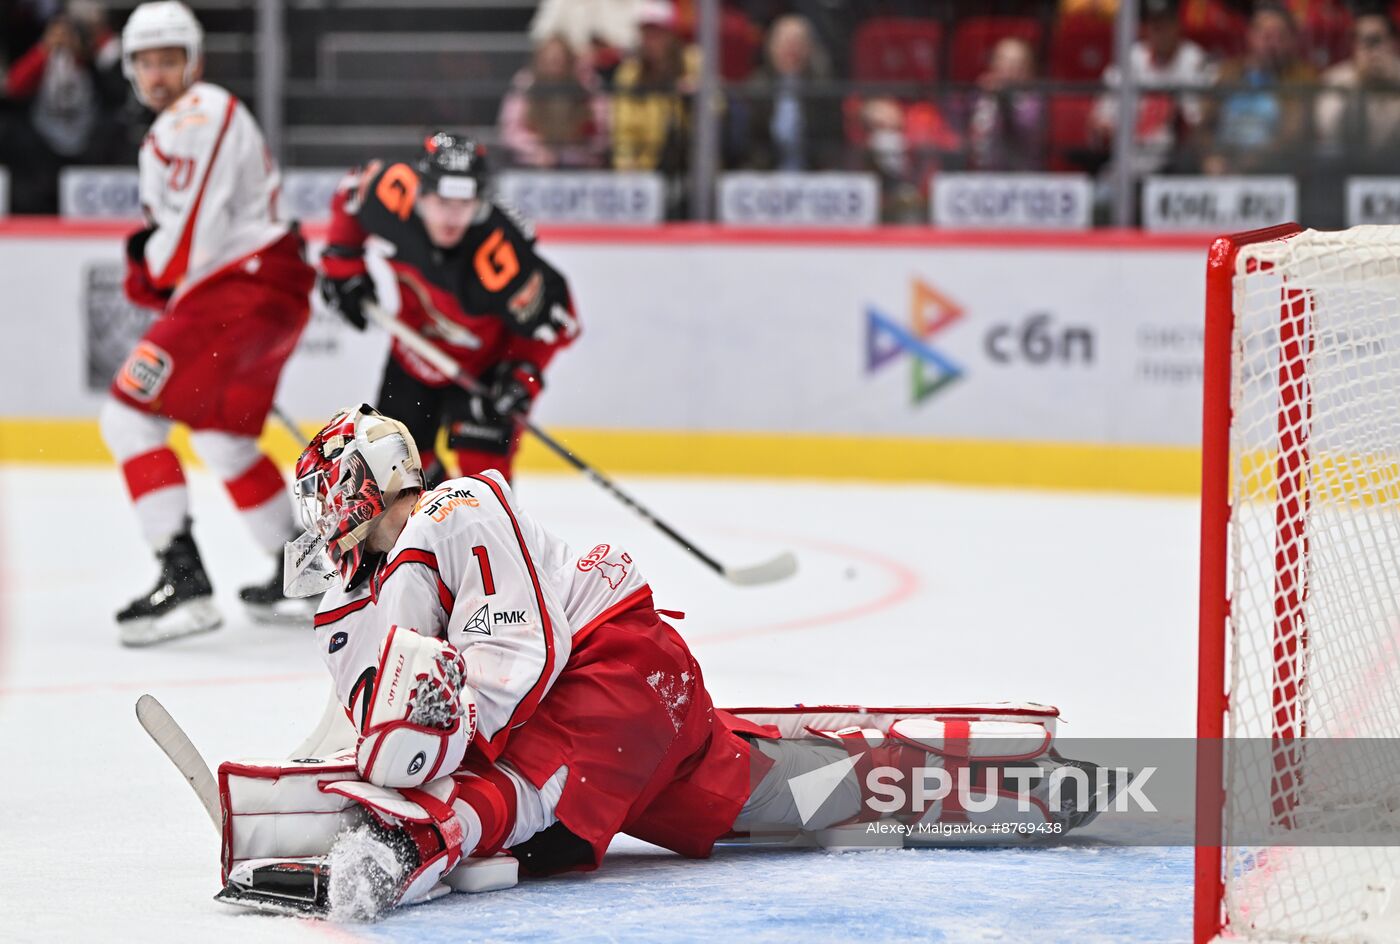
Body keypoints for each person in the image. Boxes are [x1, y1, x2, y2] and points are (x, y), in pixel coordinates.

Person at [214, 406, 1118, 918]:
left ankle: (411, 846)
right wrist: (337, 757)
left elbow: (515, 662)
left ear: (362, 480)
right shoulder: (381, 574)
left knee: (526, 796)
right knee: (779, 792)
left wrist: (423, 786)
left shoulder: (456, 508)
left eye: (325, 491)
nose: (318, 515)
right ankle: (1004, 789)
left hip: (615, 678)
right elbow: (379, 703)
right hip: (638, 721)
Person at [99, 1, 316, 646]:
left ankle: (182, 579)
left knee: (127, 415)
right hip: (260, 289)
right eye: (147, 62)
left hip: (237, 290)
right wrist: (161, 263)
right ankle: (303, 572)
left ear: (192, 62)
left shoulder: (197, 113)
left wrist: (152, 265)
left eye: (170, 60)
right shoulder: (187, 119)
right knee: (224, 440)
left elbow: (190, 234)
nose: (159, 74)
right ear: (132, 69)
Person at [317, 131, 579, 489]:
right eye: (441, 201)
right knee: (395, 466)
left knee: (484, 481)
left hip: (484, 369)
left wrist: (522, 378)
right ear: (420, 194)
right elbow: (352, 190)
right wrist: (342, 264)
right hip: (414, 355)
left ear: (480, 203)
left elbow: (562, 324)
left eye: (463, 204)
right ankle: (433, 514)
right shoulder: (392, 195)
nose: (451, 217)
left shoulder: (500, 254)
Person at [0, 1, 129, 214]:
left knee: (115, 130)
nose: (63, 38)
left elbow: (113, 94)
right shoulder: (40, 55)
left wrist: (83, 54)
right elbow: (14, 87)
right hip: (43, 139)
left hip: (86, 137)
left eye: (68, 34)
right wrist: (43, 51)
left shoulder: (90, 57)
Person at [1088, 0, 1216, 181]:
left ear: (1177, 26)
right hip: (1128, 162)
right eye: (1154, 25)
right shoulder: (1130, 59)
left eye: (1165, 24)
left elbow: (1199, 124)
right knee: (1101, 196)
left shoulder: (1195, 61)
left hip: (1174, 165)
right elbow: (1101, 118)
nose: (1159, 31)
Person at [1200, 3, 1317, 175]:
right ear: (1251, 36)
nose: (1272, 43)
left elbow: (1293, 134)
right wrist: (1210, 156)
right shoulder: (1228, 72)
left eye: (1280, 37)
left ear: (1292, 40)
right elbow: (1204, 127)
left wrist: (1249, 162)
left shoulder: (1302, 77)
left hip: (1273, 171)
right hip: (1223, 168)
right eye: (1266, 35)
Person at [728, 14, 841, 171]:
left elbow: (831, 141)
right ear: (771, 47)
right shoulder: (756, 87)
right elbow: (749, 143)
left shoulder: (823, 88)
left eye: (798, 43)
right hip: (766, 174)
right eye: (785, 43)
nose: (791, 49)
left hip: (813, 174)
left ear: (810, 48)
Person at [610, 0, 699, 175]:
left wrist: (694, 96)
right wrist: (625, 163)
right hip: (643, 166)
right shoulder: (630, 73)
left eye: (658, 33)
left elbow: (717, 111)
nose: (651, 41)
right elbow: (623, 128)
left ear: (672, 34)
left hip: (688, 161)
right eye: (646, 33)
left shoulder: (694, 62)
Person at [497, 36, 609, 169]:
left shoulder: (587, 84)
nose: (555, 64)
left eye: (559, 59)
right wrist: (536, 150)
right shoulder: (525, 83)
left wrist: (577, 149)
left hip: (580, 164)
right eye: (549, 60)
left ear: (570, 61)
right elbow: (510, 133)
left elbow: (603, 133)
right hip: (532, 164)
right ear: (539, 61)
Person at [1314, 8, 1400, 166]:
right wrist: (1358, 82)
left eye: (1377, 40)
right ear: (1353, 45)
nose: (1371, 49)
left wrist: (1395, 83)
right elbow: (1330, 132)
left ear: (1393, 42)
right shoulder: (1335, 80)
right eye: (1363, 40)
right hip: (1348, 169)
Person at [963, 36, 1046, 172]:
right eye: (1004, 61)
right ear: (993, 64)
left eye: (1017, 63)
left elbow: (1021, 133)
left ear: (1029, 70)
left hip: (1022, 177)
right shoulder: (978, 96)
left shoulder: (1035, 102)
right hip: (979, 177)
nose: (1009, 68)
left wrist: (1001, 98)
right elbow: (957, 128)